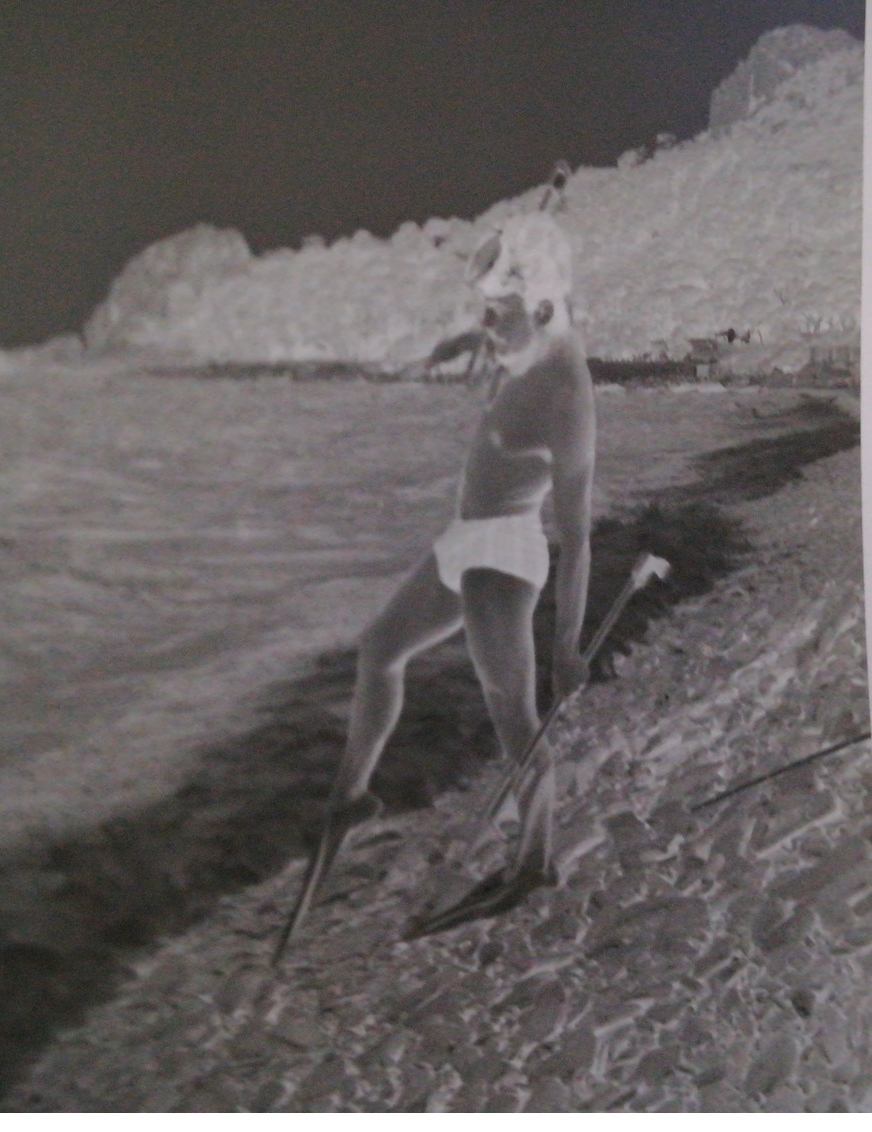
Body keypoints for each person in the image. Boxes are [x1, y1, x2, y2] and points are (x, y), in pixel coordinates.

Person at [276, 211, 596, 960]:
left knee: (512, 715)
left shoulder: (568, 394)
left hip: (503, 558)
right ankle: (352, 799)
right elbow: (499, 362)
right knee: (379, 649)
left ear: (545, 311)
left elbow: (579, 535)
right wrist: (473, 335)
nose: (489, 328)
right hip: (463, 538)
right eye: (483, 315)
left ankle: (534, 860)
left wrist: (568, 646)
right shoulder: (526, 344)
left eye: (499, 316)